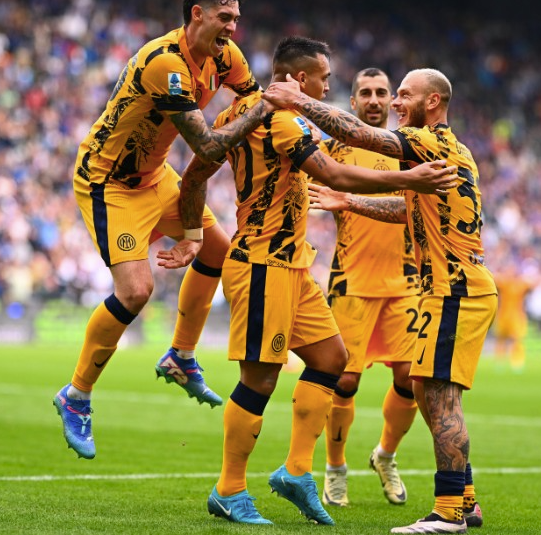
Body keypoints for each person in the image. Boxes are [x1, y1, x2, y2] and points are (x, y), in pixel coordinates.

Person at [162, 37, 458, 525]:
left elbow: (193, 176)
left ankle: (297, 472)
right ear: (300, 79)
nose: (326, 87)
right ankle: (229, 489)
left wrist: (194, 233)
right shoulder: (282, 119)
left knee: (331, 360)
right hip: (262, 263)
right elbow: (333, 175)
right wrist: (411, 179)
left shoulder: (235, 116)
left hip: (291, 263)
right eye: (323, 78)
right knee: (260, 378)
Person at [53, 0, 277, 460]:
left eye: (236, 19)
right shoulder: (165, 64)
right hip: (110, 182)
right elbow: (209, 145)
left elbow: (255, 104)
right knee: (135, 291)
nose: (233, 28)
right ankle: (76, 395)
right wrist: (269, 106)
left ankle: (181, 355)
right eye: (225, 17)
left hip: (156, 176)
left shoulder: (226, 57)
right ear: (197, 14)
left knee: (219, 248)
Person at [266, 67, 496, 534]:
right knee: (427, 392)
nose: (394, 103)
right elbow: (404, 207)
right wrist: (352, 204)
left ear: (432, 102)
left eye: (403, 94)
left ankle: (449, 512)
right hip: (443, 287)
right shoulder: (450, 150)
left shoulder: (428, 140)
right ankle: (465, 500)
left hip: (453, 288)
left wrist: (299, 100)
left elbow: (357, 133)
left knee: (440, 397)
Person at [313, 68, 420, 508]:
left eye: (381, 92)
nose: (374, 100)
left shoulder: (409, 150)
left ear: (392, 101)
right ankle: (335, 467)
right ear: (353, 102)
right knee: (345, 381)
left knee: (412, 379)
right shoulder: (331, 150)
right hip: (352, 281)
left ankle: (385, 456)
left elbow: (416, 208)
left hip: (404, 282)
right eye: (365, 93)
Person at [494, 261, 539, 372]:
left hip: (517, 315)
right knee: (501, 338)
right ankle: (500, 361)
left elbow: (533, 285)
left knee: (517, 339)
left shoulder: (520, 284)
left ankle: (517, 361)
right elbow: (494, 279)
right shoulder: (504, 282)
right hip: (504, 314)